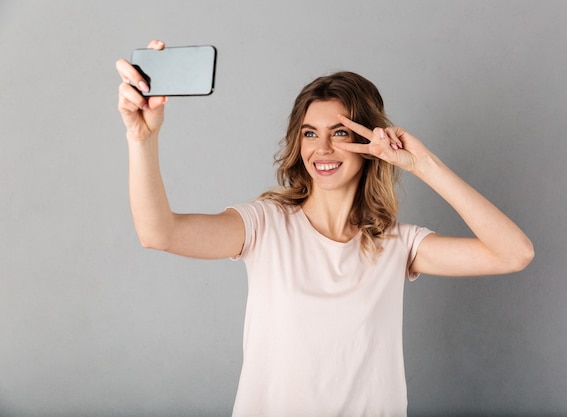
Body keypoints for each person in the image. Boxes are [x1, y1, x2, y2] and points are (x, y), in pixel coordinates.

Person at [116, 40, 534, 417]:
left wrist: (422, 164)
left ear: (370, 142)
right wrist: (142, 139)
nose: (323, 149)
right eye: (310, 134)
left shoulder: (396, 245)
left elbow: (514, 253)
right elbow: (159, 233)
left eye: (340, 133)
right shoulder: (266, 225)